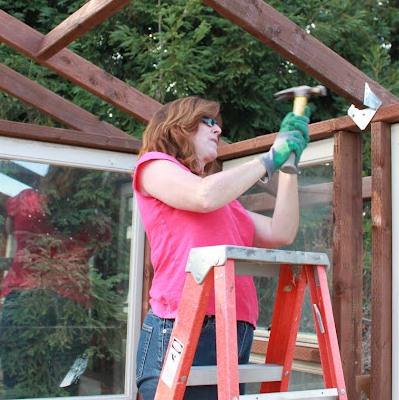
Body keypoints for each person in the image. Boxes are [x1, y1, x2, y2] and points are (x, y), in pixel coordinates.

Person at [133, 96, 310, 399]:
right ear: (178, 127)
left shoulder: (227, 205)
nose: (218, 131)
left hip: (235, 327)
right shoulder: (154, 166)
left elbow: (282, 231)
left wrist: (288, 165)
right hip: (182, 324)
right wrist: (268, 159)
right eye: (209, 122)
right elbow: (204, 196)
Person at [0, 167, 111, 397]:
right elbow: (103, 243)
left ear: (48, 177)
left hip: (23, 296)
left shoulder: (25, 200)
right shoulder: (93, 217)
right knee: (68, 378)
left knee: (17, 376)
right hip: (70, 303)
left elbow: (9, 229)